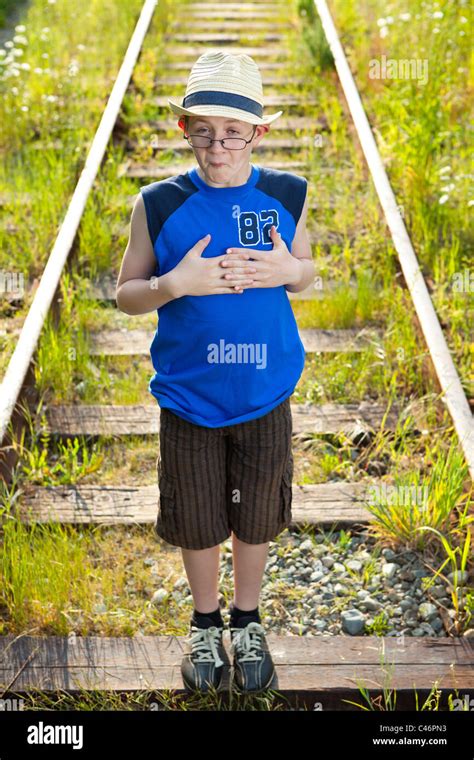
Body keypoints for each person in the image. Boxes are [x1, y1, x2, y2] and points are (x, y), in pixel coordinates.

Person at [116, 50, 315, 694]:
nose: (218, 145)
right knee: (199, 517)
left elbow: (306, 270)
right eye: (203, 131)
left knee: (256, 514)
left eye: (233, 132)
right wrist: (174, 284)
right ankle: (205, 623)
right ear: (183, 130)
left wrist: (286, 271)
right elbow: (126, 292)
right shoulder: (161, 203)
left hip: (264, 391)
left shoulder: (287, 194)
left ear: (258, 132)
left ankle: (247, 617)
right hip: (189, 397)